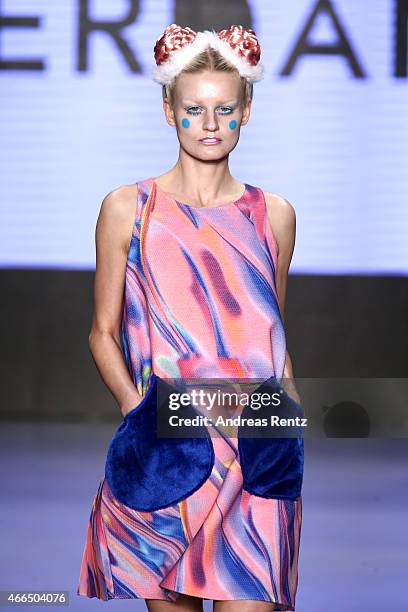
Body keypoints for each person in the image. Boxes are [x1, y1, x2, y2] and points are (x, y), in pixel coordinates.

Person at [76, 23, 304, 612]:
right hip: (169, 448)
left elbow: (271, 335)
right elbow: (103, 332)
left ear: (245, 111)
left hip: (257, 443)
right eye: (193, 108)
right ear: (167, 109)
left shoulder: (273, 215)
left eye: (224, 108)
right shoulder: (130, 208)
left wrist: (289, 428)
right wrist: (138, 412)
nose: (209, 124)